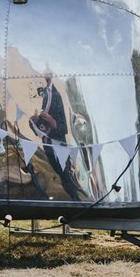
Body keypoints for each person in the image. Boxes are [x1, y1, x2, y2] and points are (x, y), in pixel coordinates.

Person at [28, 70, 83, 201]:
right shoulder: (43, 95)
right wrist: (33, 123)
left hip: (59, 145)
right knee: (59, 173)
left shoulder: (56, 96)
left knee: (65, 175)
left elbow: (64, 128)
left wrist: (53, 123)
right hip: (47, 146)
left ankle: (76, 199)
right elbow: (38, 129)